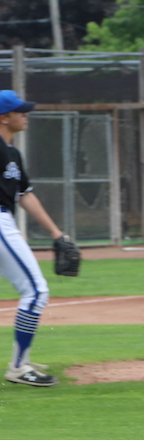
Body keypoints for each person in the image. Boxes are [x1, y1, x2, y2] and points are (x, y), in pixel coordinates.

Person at [0, 89, 75, 387]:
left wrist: (57, 234)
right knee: (35, 291)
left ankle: (22, 361)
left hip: (5, 218)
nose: (26, 115)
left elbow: (25, 195)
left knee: (34, 291)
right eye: (20, 111)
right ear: (4, 117)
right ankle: (19, 368)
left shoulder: (12, 153)